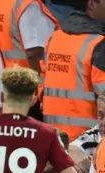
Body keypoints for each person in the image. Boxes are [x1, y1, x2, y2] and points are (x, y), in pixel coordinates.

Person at [41, 0, 105, 141]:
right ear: (92, 5)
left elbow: (42, 87)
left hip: (52, 137)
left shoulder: (54, 38)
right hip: (87, 143)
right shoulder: (99, 44)